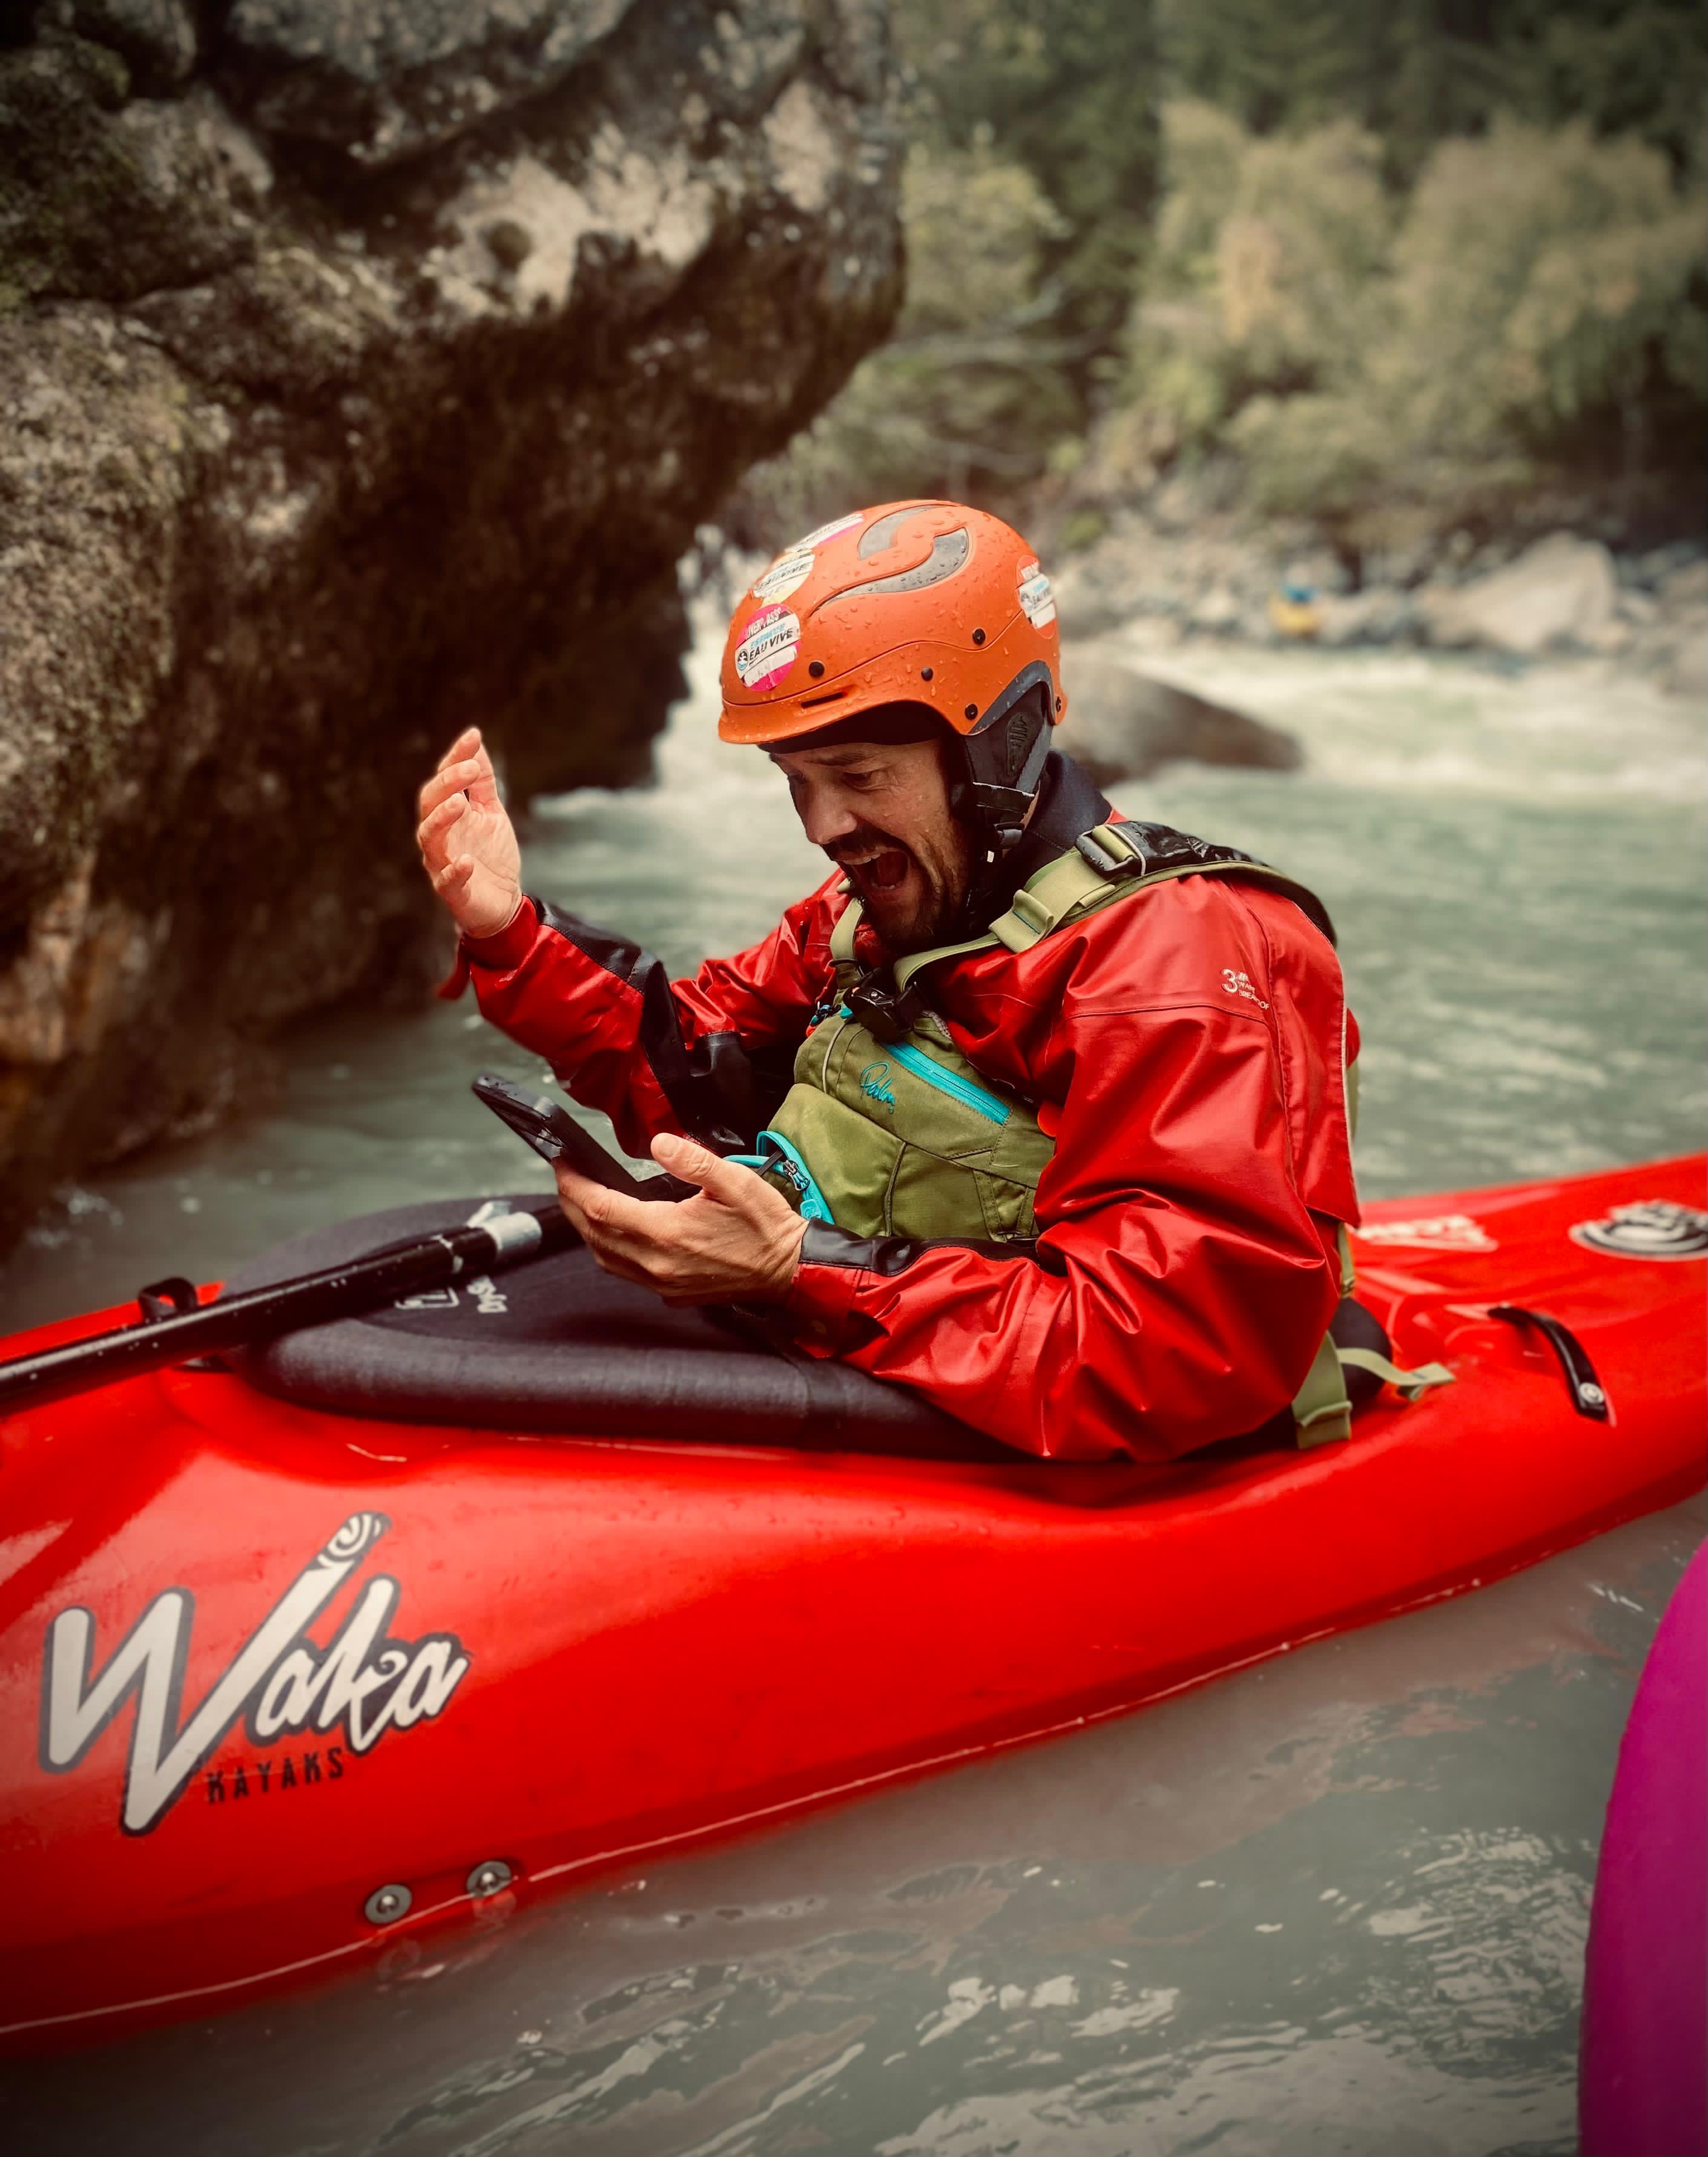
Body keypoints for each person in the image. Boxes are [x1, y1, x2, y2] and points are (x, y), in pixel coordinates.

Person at [418, 498, 1390, 1462]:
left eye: (857, 775)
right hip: (889, 1354)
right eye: (796, 781)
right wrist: (512, 932)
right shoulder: (877, 903)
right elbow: (692, 1062)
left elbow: (1173, 1354)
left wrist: (795, 1268)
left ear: (995, 748)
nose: (821, 825)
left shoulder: (1181, 962)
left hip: (1140, 1440)